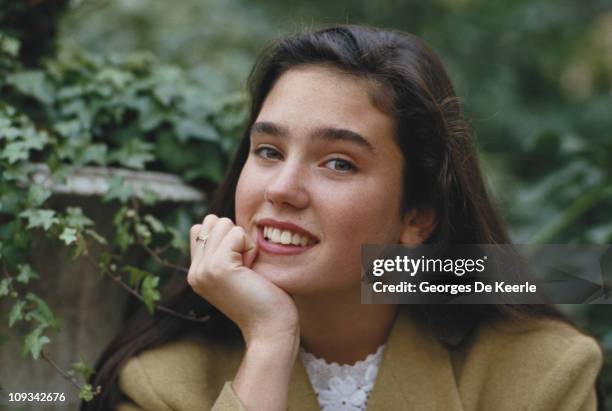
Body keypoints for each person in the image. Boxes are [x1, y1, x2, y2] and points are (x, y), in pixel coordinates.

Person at [83, 25, 604, 411]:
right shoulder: (164, 383)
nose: (282, 189)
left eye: (338, 162)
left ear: (418, 217)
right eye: (267, 150)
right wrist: (268, 341)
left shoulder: (540, 376)